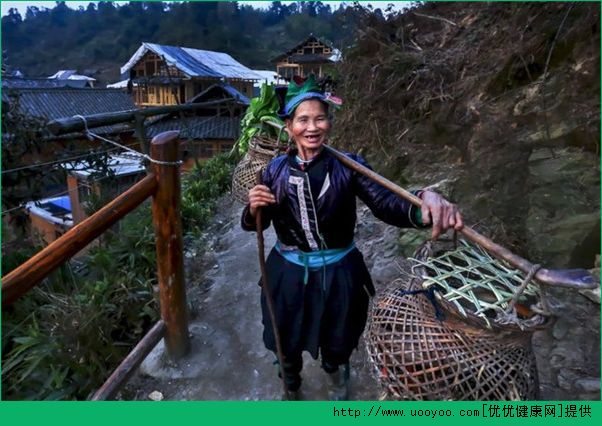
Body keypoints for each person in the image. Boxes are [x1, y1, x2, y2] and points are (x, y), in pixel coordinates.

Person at [241, 75, 463, 400]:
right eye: (303, 119)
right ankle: (291, 385)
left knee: (338, 337)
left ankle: (337, 378)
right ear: (289, 126)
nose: (312, 127)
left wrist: (422, 202)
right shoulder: (273, 171)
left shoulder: (348, 166)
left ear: (329, 122)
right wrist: (253, 209)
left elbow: (387, 202)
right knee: (283, 336)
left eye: (319, 118)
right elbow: (253, 225)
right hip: (286, 273)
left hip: (339, 271)